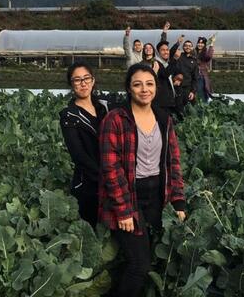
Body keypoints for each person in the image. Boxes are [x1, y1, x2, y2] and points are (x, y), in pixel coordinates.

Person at [99, 63, 186, 297]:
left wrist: (178, 200)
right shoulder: (116, 119)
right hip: (129, 195)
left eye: (149, 84)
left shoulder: (164, 118)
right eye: (137, 84)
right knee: (139, 265)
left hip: (157, 195)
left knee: (154, 257)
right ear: (129, 88)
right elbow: (111, 167)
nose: (144, 89)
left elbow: (172, 162)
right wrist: (124, 210)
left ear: (156, 87)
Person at [59, 62, 108, 227]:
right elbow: (79, 155)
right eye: (77, 80)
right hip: (89, 183)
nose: (83, 83)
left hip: (113, 178)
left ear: (93, 81)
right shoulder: (69, 116)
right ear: (71, 84)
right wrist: (104, 178)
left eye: (87, 78)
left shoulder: (104, 108)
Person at [172, 39, 198, 108]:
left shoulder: (194, 61)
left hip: (187, 88)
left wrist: (193, 91)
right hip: (176, 86)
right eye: (186, 45)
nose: (188, 47)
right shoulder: (178, 56)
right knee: (176, 108)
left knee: (187, 108)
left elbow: (195, 78)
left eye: (189, 46)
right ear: (183, 47)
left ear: (192, 48)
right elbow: (172, 69)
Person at [195, 35, 216, 102]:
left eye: (202, 43)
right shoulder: (194, 52)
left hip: (201, 76)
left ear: (204, 45)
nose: (200, 44)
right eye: (199, 43)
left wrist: (212, 43)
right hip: (193, 76)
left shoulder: (205, 53)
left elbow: (209, 56)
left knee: (202, 94)